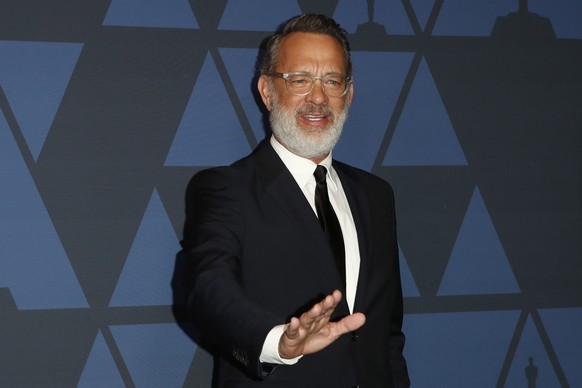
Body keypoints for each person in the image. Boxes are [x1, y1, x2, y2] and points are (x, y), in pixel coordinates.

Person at [181, 14, 410, 388]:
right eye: (300, 80)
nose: (317, 97)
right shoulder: (226, 189)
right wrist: (278, 345)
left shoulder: (376, 195)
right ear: (267, 91)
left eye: (332, 81)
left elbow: (387, 332)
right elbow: (208, 292)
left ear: (348, 94)